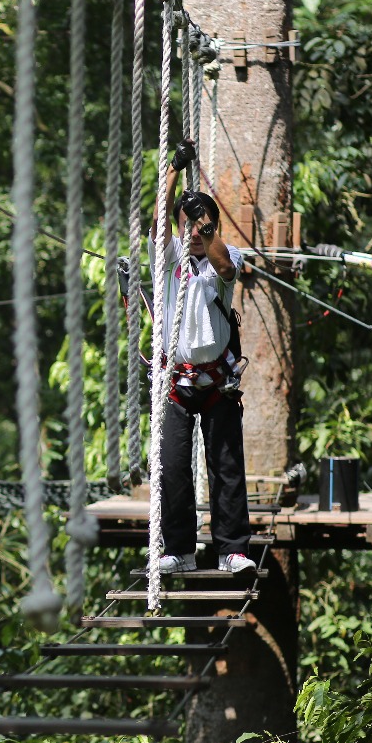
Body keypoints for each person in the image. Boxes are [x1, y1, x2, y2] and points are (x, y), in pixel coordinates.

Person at [154, 142, 256, 574]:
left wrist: (207, 228)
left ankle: (232, 549)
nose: (194, 233)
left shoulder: (223, 259)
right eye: (190, 227)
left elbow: (228, 269)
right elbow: (161, 221)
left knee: (226, 467)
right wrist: (174, 169)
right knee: (174, 468)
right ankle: (181, 551)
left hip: (216, 383)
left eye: (203, 228)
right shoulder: (170, 257)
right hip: (177, 381)